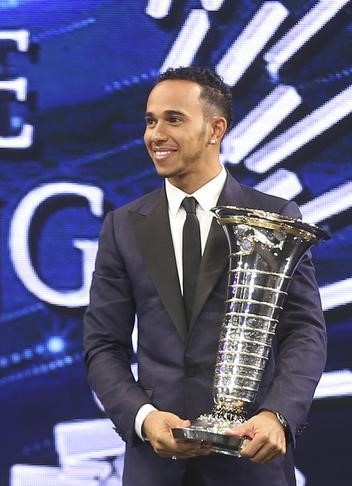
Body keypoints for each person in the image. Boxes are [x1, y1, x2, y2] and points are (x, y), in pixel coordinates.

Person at [82, 66, 326, 486]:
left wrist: (277, 414)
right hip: (155, 470)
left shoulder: (276, 217)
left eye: (173, 119)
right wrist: (145, 419)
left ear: (216, 129)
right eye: (150, 121)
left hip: (250, 465)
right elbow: (103, 345)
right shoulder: (123, 226)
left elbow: (304, 332)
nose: (156, 134)